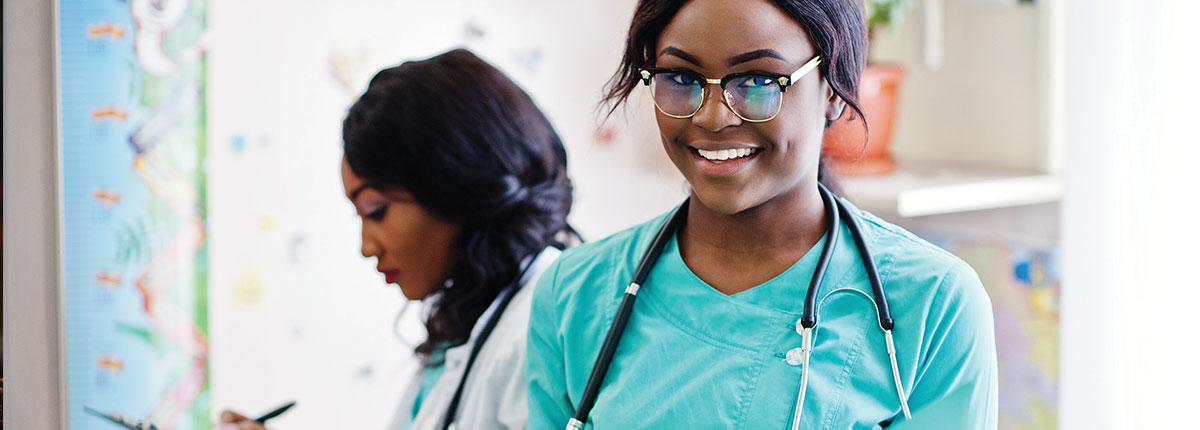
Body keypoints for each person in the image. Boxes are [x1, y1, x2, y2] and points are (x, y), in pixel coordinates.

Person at [526, 0, 998, 428]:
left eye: (757, 81)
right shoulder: (573, 295)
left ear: (834, 89)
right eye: (682, 79)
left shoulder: (933, 304)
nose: (712, 117)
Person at [221, 48, 575, 430]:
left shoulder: (540, 329)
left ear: (456, 183)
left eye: (376, 211)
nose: (366, 247)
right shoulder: (466, 320)